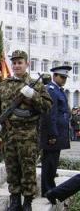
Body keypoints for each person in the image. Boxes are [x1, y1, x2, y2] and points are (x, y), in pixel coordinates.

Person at [0, 50, 52, 211]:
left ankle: (28, 202)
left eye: (20, 62)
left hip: (28, 136)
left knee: (28, 169)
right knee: (12, 169)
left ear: (26, 64)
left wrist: (33, 96)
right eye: (14, 63)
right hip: (8, 135)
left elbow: (47, 107)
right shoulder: (4, 85)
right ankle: (15, 200)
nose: (17, 65)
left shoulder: (36, 85)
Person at [39, 65, 72, 197]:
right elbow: (50, 114)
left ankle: (50, 188)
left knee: (53, 162)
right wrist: (52, 134)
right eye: (62, 77)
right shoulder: (51, 90)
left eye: (65, 77)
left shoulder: (58, 90)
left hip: (58, 132)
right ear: (54, 76)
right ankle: (47, 190)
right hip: (53, 134)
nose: (64, 79)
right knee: (49, 162)